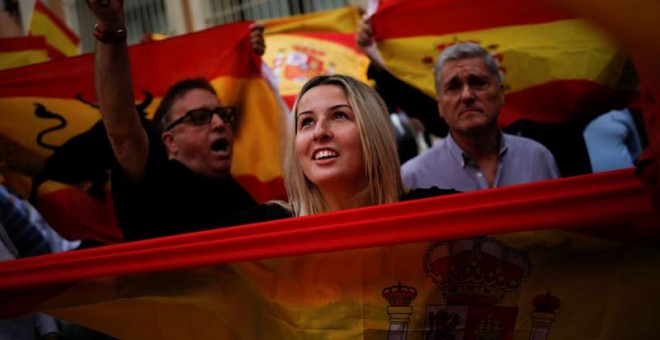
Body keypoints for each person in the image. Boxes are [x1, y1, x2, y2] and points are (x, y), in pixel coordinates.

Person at [85, 0, 265, 240]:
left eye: (222, 115)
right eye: (199, 118)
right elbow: (121, 125)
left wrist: (248, 59)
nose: (219, 124)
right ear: (170, 142)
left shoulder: (243, 200)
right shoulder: (157, 183)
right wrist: (109, 26)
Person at [222, 74, 457, 225]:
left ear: (373, 131)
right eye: (307, 122)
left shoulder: (435, 216)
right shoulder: (264, 227)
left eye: (339, 115)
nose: (319, 132)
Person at [401, 42, 560, 192]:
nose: (467, 95)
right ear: (440, 105)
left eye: (478, 83)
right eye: (454, 87)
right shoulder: (413, 178)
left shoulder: (537, 158)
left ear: (500, 93)